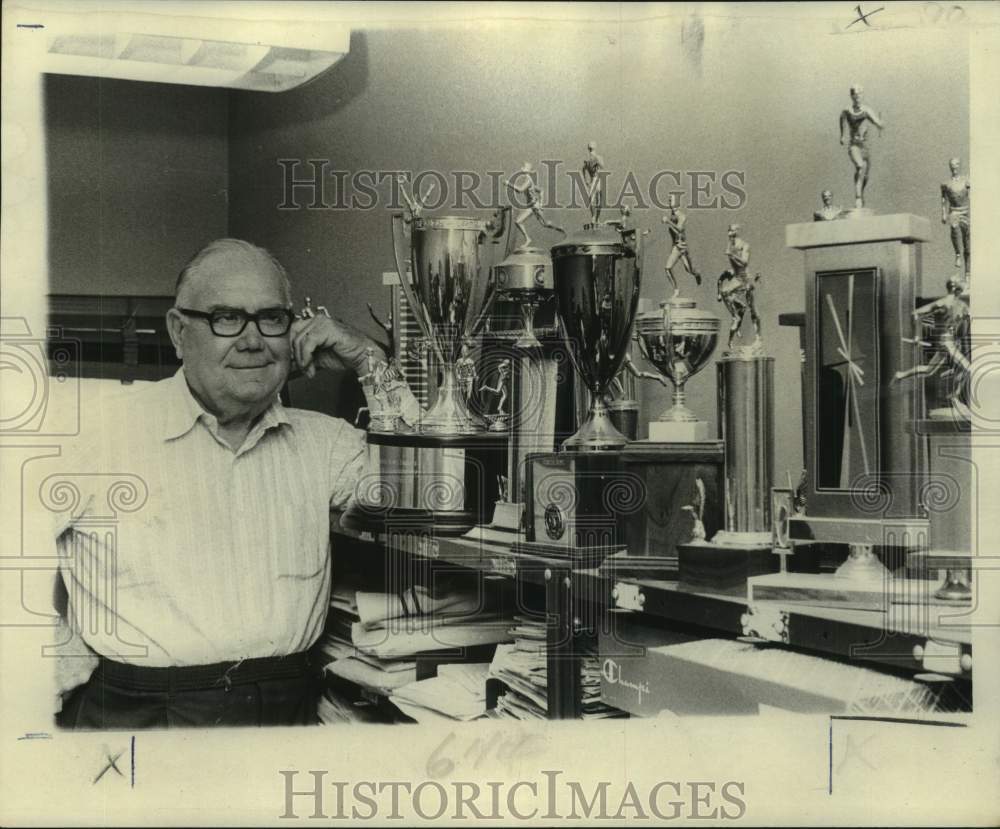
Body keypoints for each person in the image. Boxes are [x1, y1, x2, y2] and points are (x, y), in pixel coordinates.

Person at [51, 238, 415, 729]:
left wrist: (368, 360)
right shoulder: (94, 434)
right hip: (137, 721)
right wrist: (61, 674)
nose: (252, 341)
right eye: (226, 318)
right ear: (179, 332)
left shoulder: (325, 444)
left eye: (271, 318)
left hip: (289, 716)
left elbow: (426, 490)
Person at [716, 224, 762, 352]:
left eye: (732, 230)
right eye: (729, 229)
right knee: (724, 291)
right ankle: (735, 315)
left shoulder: (744, 245)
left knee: (753, 309)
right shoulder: (730, 244)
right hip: (737, 277)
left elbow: (744, 262)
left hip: (745, 278)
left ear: (737, 231)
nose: (729, 232)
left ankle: (758, 338)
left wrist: (732, 254)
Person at [839, 84, 884, 209]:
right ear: (851, 96)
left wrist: (880, 124)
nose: (857, 96)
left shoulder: (866, 110)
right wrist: (842, 135)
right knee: (860, 166)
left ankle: (861, 194)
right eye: (855, 94)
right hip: (854, 145)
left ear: (862, 95)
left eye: (859, 94)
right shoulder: (847, 110)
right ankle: (858, 197)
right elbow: (842, 120)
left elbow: (876, 121)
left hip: (865, 146)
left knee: (865, 175)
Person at [503, 162, 564, 250]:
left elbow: (520, 190)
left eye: (524, 167)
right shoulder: (528, 180)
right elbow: (541, 190)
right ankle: (528, 239)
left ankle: (559, 227)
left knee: (545, 224)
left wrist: (508, 183)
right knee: (518, 221)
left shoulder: (528, 180)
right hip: (530, 207)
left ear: (528, 170)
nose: (521, 168)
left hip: (535, 206)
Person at [661, 194, 702, 295]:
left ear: (677, 202)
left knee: (689, 270)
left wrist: (668, 222)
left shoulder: (682, 216)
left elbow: (679, 229)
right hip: (676, 247)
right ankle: (676, 290)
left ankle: (697, 274)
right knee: (668, 268)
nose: (669, 202)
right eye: (669, 200)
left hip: (682, 247)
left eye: (671, 200)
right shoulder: (672, 215)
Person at [941, 157, 971, 274]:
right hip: (954, 211)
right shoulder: (946, 184)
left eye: (956, 165)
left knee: (967, 243)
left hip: (966, 211)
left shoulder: (966, 181)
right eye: (952, 166)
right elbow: (943, 199)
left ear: (959, 166)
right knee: (954, 227)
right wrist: (943, 213)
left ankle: (968, 272)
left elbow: (971, 195)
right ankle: (957, 254)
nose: (954, 168)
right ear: (950, 167)